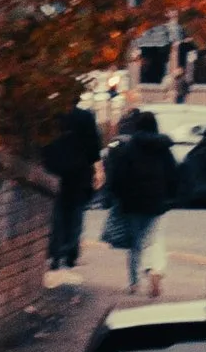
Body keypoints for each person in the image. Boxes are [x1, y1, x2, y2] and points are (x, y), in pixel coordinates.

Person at [101, 106, 178, 298]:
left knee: (136, 243)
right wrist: (171, 196)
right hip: (157, 202)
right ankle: (155, 271)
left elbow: (119, 176)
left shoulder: (129, 148)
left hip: (133, 203)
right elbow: (173, 174)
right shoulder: (163, 148)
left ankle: (134, 283)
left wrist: (115, 196)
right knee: (154, 239)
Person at [38, 98, 102, 280]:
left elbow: (43, 144)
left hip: (54, 169)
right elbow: (93, 147)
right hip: (79, 171)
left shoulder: (50, 116)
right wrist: (98, 169)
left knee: (57, 211)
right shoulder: (85, 117)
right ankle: (70, 252)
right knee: (76, 210)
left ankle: (55, 252)